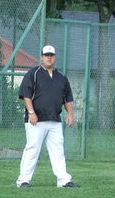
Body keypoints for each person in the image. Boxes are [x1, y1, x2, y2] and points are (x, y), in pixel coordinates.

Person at [16, 45, 79, 189]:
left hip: (55, 120)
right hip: (36, 120)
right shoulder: (34, 74)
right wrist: (31, 113)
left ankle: (63, 180)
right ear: (41, 57)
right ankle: (23, 180)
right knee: (32, 149)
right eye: (46, 55)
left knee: (58, 150)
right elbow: (26, 95)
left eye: (51, 55)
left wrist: (70, 114)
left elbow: (67, 98)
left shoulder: (61, 77)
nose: (49, 57)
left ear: (55, 57)